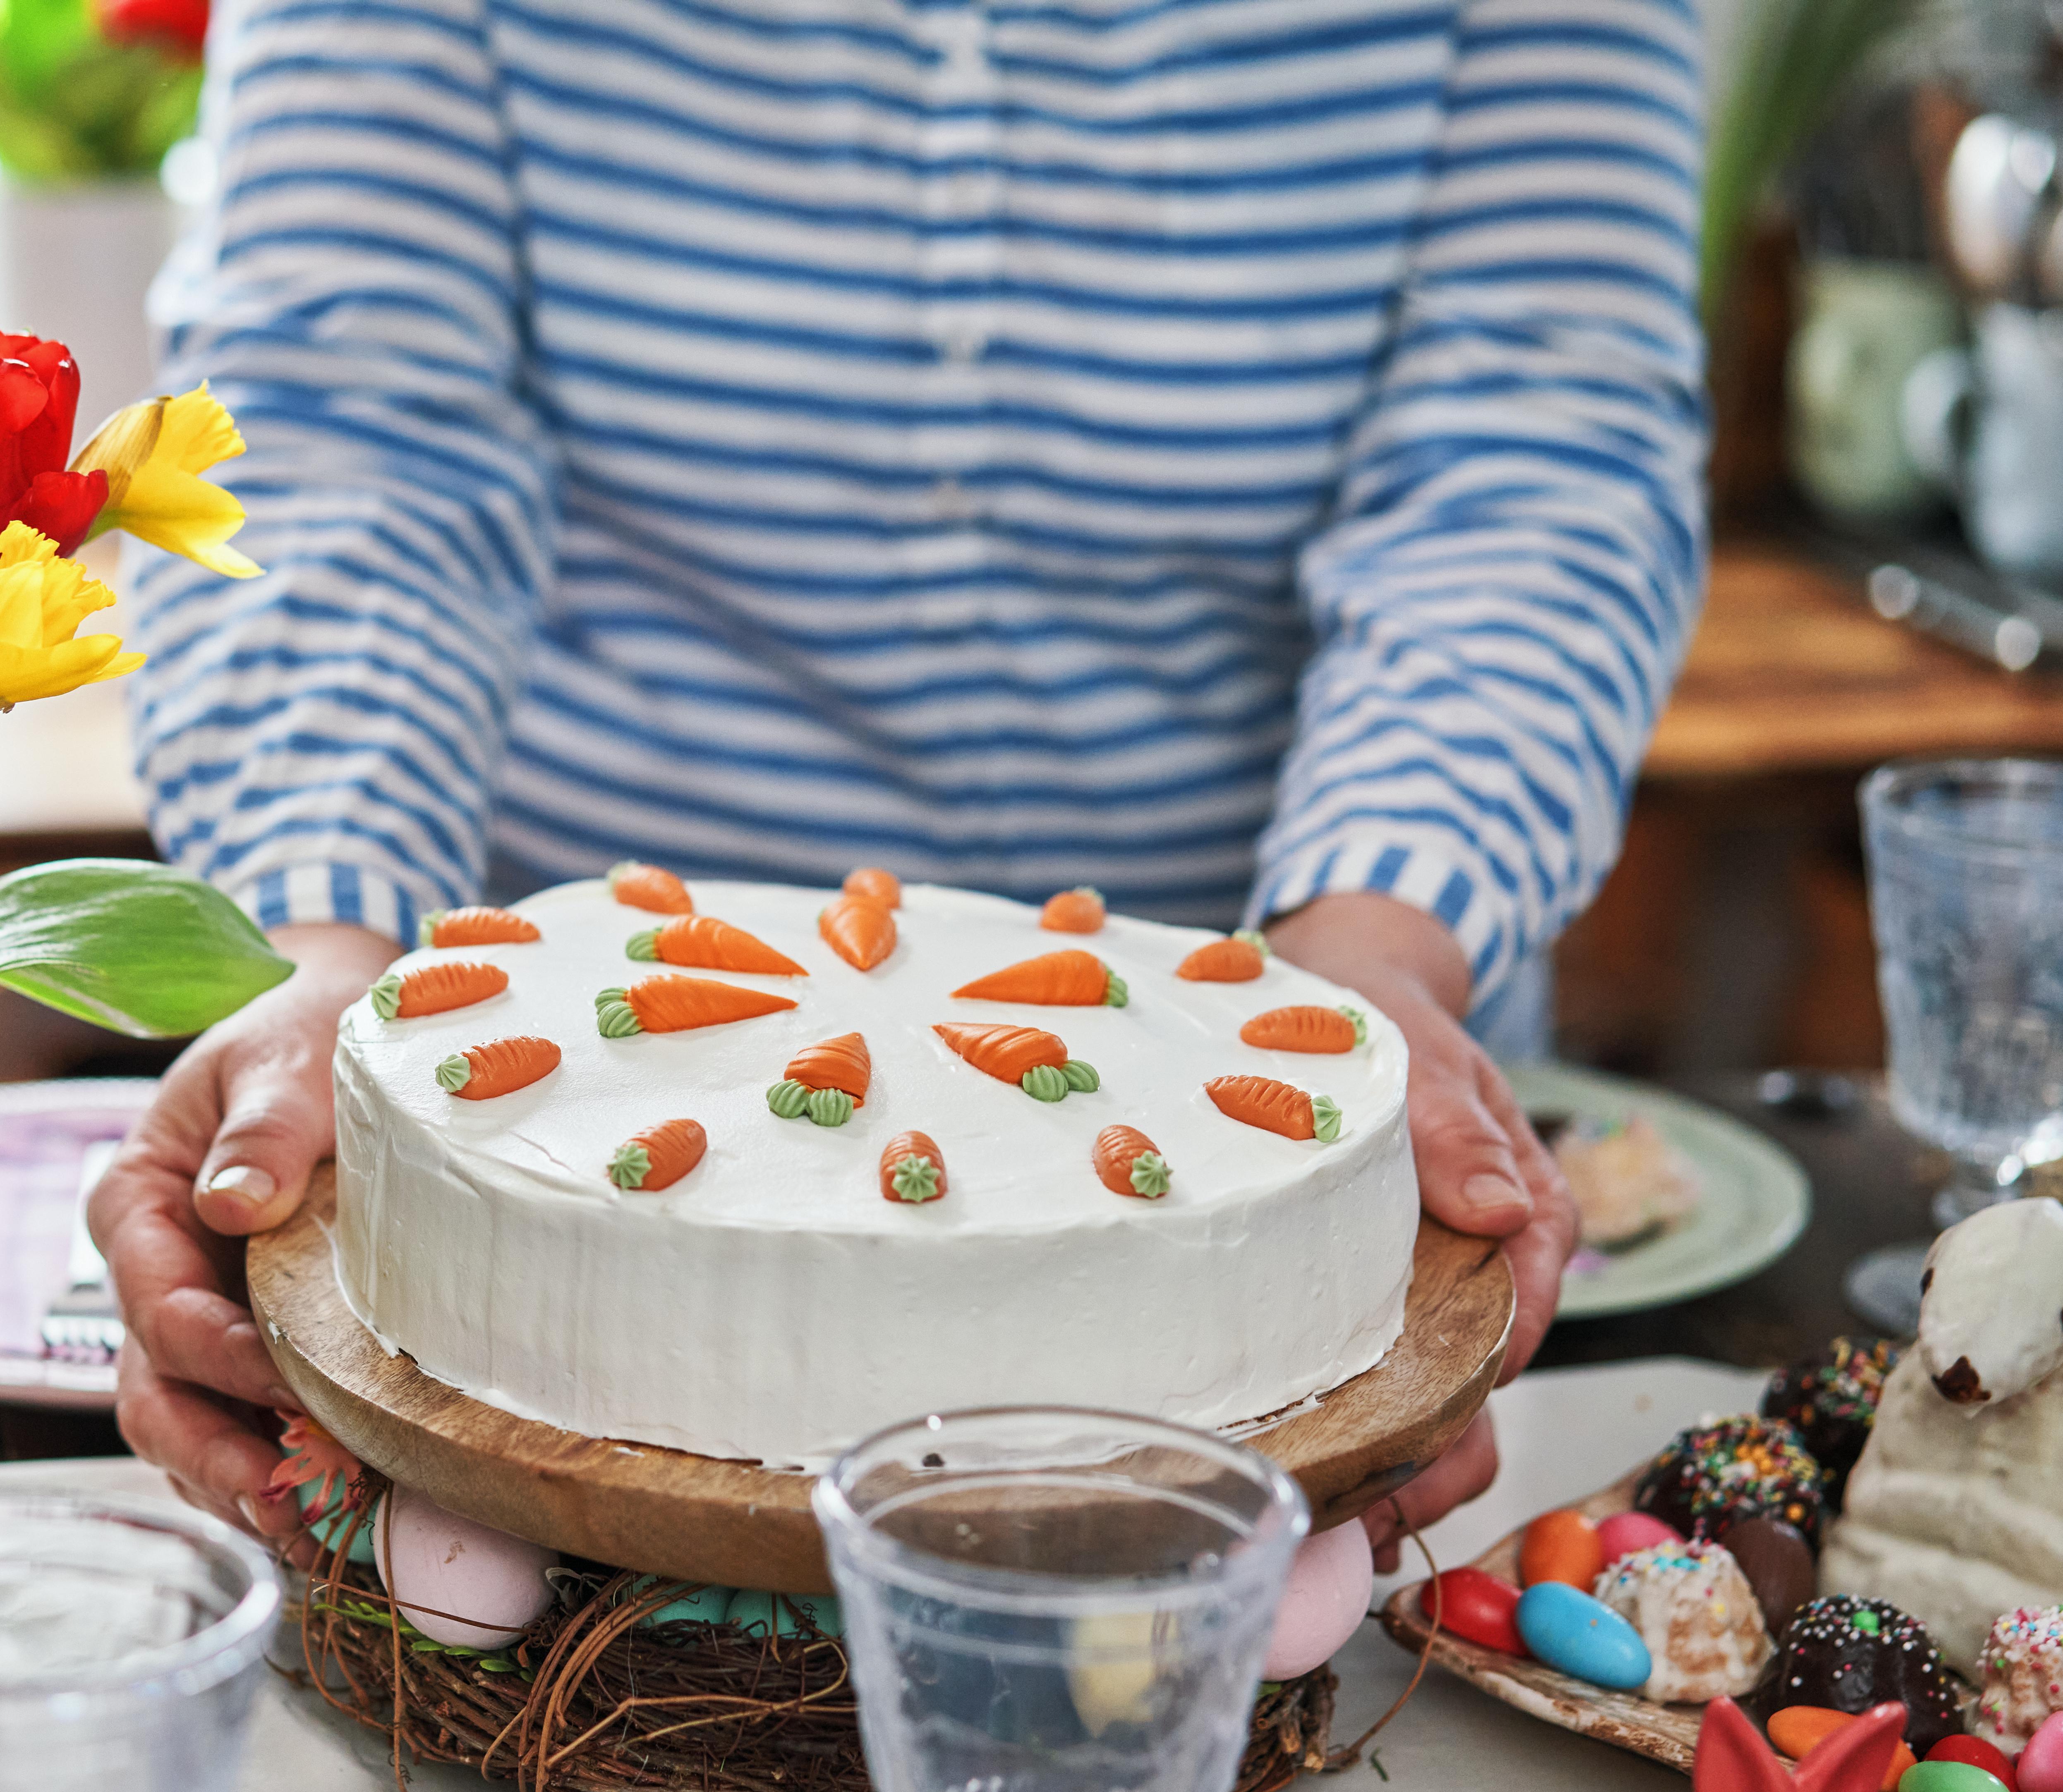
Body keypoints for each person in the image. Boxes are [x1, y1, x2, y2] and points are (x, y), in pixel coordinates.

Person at [89, 0, 1707, 1561]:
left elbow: (1528, 461)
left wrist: (1372, 964)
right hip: (553, 1079)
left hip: (1280, 1001)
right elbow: (339, 434)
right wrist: (323, 949)